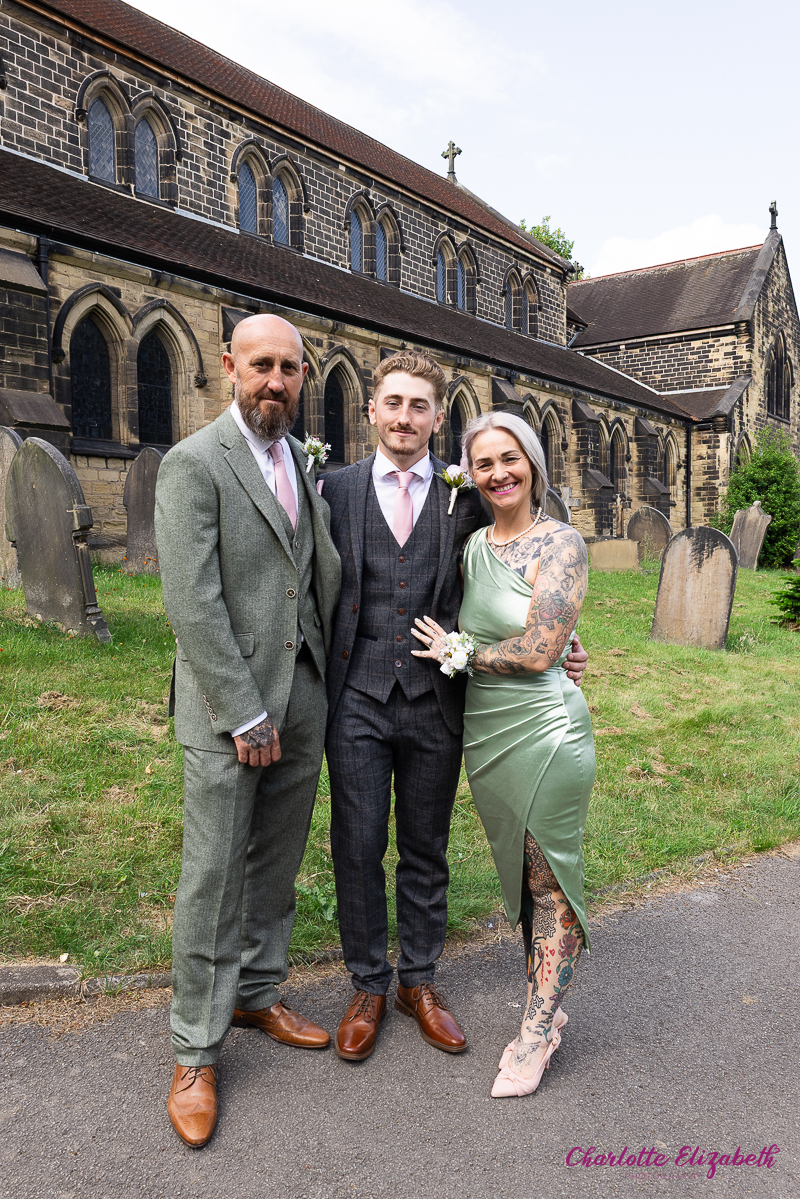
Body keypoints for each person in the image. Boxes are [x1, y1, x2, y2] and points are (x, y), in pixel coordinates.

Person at [321, 353, 588, 1062]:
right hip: (356, 700)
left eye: (420, 406)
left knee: (425, 847)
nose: (405, 417)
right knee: (356, 843)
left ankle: (421, 981)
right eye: (394, 403)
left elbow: (514, 570)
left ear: (438, 418)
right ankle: (369, 983)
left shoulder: (465, 498)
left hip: (440, 702)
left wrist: (564, 640)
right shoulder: (334, 489)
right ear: (371, 410)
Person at [154, 314, 341, 1147]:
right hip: (233, 710)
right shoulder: (193, 464)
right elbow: (192, 602)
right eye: (260, 364)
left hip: (302, 701)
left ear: (304, 376)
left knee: (276, 863)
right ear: (229, 366)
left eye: (289, 368)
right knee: (214, 875)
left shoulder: (301, 461)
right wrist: (244, 711)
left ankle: (259, 992)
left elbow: (314, 574)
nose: (275, 380)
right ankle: (195, 1047)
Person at [411, 410, 594, 1097]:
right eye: (483, 462)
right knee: (521, 878)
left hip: (547, 733)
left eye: (509, 457)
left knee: (550, 880)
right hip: (487, 732)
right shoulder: (473, 545)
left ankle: (538, 1029)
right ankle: (549, 1000)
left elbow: (544, 648)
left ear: (533, 461)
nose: (498, 472)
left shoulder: (563, 542)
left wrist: (461, 653)